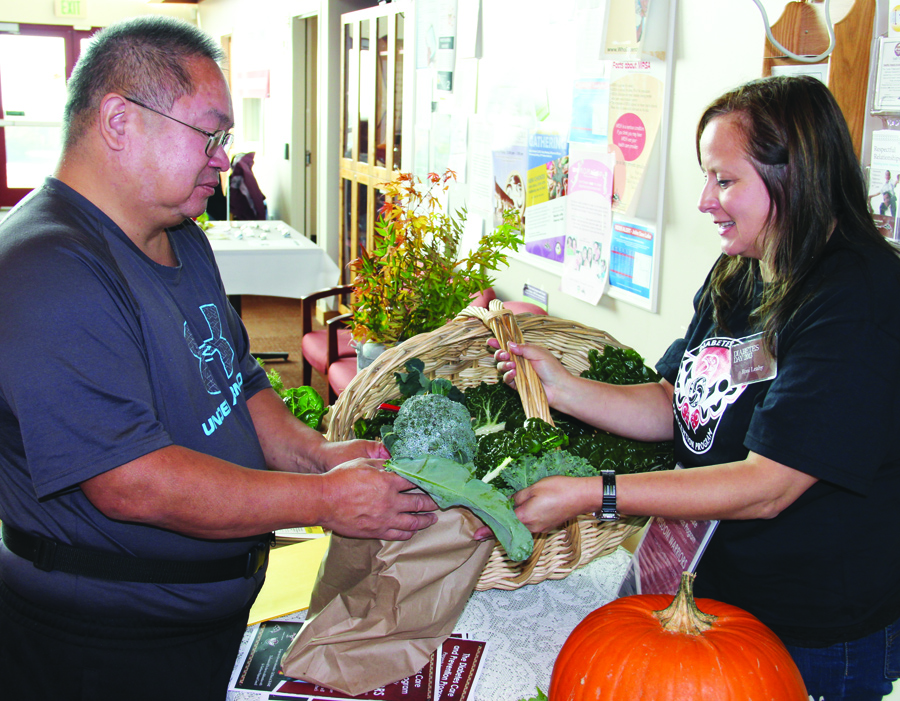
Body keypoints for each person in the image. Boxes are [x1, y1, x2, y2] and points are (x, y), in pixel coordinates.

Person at [0, 16, 437, 701]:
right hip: (104, 647)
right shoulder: (47, 268)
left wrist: (320, 457)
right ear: (119, 121)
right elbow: (132, 481)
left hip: (206, 622)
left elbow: (240, 383)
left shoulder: (184, 238)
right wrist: (325, 500)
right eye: (209, 133)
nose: (223, 158)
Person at [488, 76, 900, 699]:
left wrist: (593, 494)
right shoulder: (743, 265)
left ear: (796, 173)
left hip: (811, 633)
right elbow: (676, 403)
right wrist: (564, 387)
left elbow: (768, 485)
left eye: (725, 180)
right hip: (713, 591)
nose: (706, 201)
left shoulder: (857, 298)